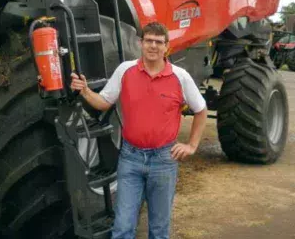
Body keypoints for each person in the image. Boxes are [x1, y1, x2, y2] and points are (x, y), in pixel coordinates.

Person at [70, 21, 207, 239]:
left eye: (158, 42)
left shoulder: (180, 77)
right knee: (123, 226)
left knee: (159, 229)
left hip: (163, 160)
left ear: (166, 47)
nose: (153, 46)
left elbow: (201, 110)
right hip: (130, 158)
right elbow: (104, 102)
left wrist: (191, 145)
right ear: (140, 43)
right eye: (148, 41)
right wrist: (85, 91)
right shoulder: (125, 70)